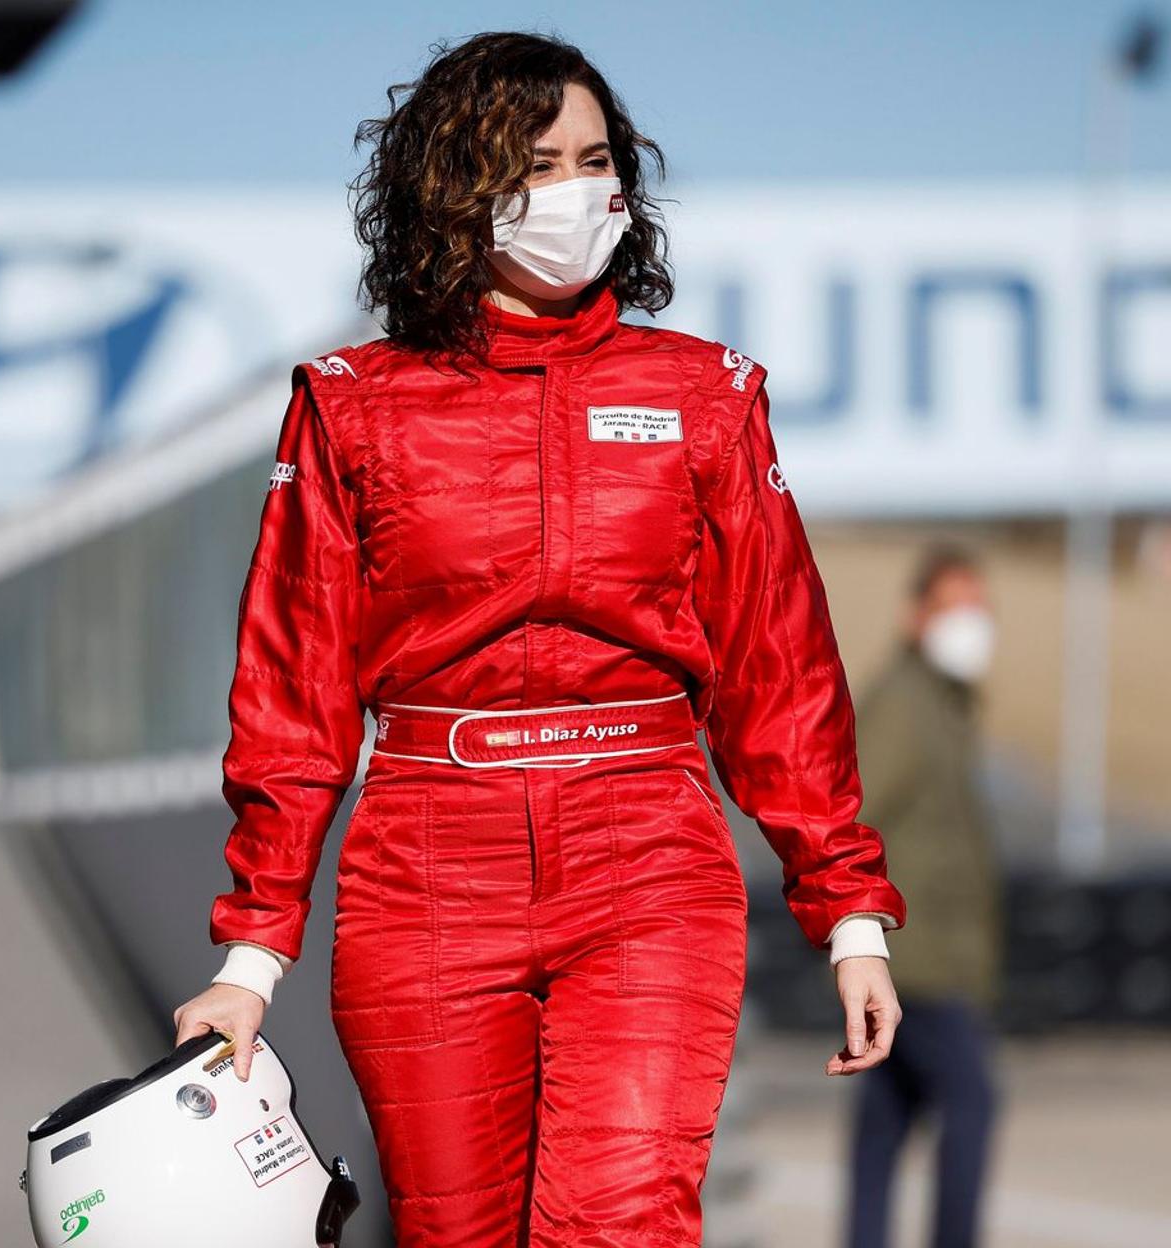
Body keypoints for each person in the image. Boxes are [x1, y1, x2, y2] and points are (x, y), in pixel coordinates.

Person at [173, 31, 908, 1247]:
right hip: (425, 862)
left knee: (621, 1223)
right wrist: (250, 960)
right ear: (453, 190)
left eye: (596, 160)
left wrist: (851, 918)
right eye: (535, 164)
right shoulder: (348, 402)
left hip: (650, 857)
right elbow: (292, 691)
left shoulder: (709, 395)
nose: (576, 193)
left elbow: (783, 674)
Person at [843, 542, 1006, 1248]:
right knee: (972, 1101)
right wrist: (863, 930)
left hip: (933, 956)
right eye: (952, 607)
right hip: (915, 960)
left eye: (977, 606)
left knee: (886, 1117)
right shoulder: (905, 706)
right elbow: (853, 813)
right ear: (917, 616)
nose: (969, 623)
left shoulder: (944, 704)